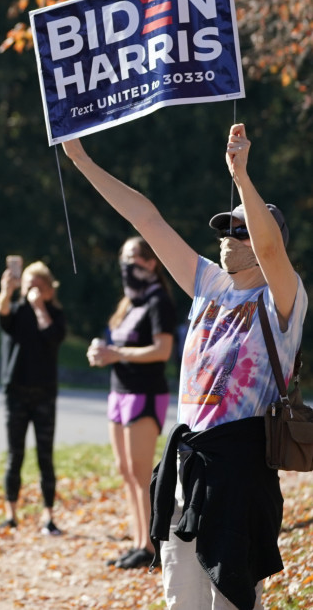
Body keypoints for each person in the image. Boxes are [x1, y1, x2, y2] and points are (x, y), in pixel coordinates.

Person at [64, 123, 306, 609]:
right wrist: (82, 161)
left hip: (241, 475)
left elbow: (272, 250)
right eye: (225, 229)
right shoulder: (207, 285)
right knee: (182, 602)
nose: (227, 237)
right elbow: (148, 220)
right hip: (186, 467)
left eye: (241, 230)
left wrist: (241, 179)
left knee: (232, 602)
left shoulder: (284, 297)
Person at [87, 236, 176, 570]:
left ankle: (153, 548)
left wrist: (117, 353)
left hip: (145, 393)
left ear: (151, 263)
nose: (126, 265)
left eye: (133, 258)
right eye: (123, 258)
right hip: (118, 392)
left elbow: (162, 350)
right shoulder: (129, 302)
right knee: (125, 472)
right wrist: (101, 353)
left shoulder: (158, 301)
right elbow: (117, 345)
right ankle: (139, 541)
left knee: (141, 474)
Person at [0, 260, 67, 535]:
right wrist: (6, 290)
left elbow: (52, 336)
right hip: (15, 392)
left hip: (44, 394)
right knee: (15, 455)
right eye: (28, 286)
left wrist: (39, 307)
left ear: (49, 290)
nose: (32, 291)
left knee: (45, 457)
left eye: (38, 286)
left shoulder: (54, 316)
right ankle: (11, 514)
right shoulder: (14, 311)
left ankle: (48, 517)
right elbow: (1, 317)